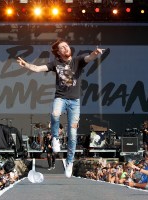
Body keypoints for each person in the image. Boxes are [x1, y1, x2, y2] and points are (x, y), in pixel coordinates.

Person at [17, 38, 104, 178]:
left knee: (73, 134)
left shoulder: (77, 61)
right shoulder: (55, 64)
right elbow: (39, 68)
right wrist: (27, 65)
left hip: (74, 102)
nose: (65, 48)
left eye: (66, 46)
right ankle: (55, 139)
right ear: (58, 52)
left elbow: (89, 58)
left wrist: (95, 53)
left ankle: (69, 162)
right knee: (55, 113)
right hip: (61, 97)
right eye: (62, 47)